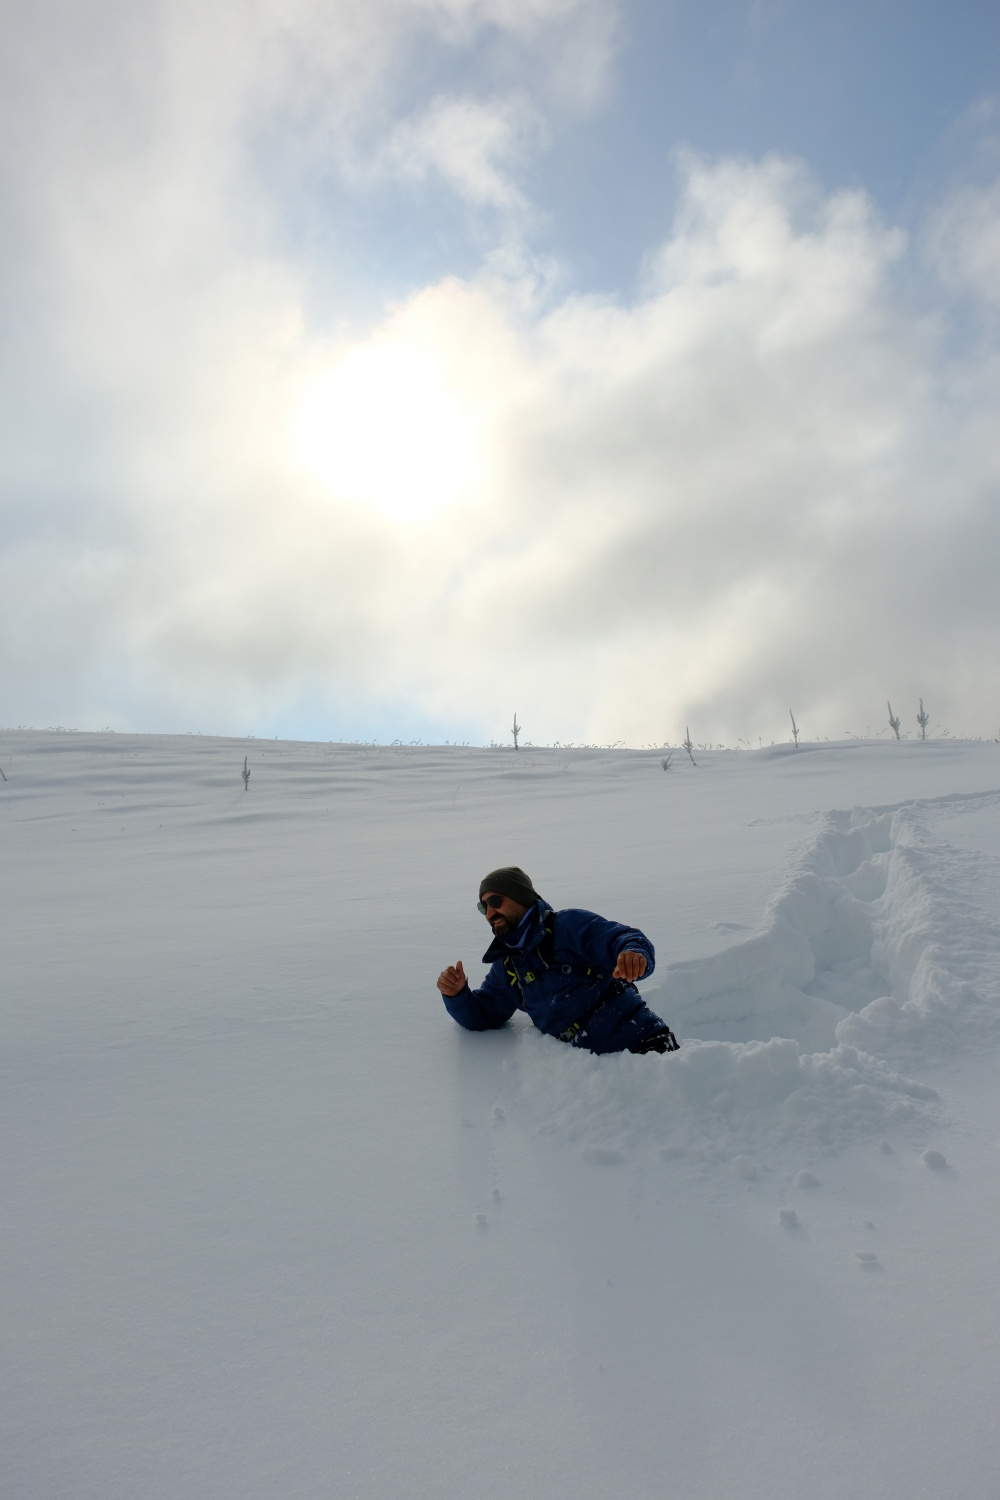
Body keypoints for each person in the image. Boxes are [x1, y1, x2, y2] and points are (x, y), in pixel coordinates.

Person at [436, 866, 679, 1055]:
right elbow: (483, 1014)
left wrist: (634, 954)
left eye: (496, 902)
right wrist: (457, 995)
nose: (490, 913)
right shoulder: (508, 966)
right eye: (483, 906)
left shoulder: (568, 926)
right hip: (586, 1074)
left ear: (520, 897)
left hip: (645, 1046)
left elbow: (625, 938)